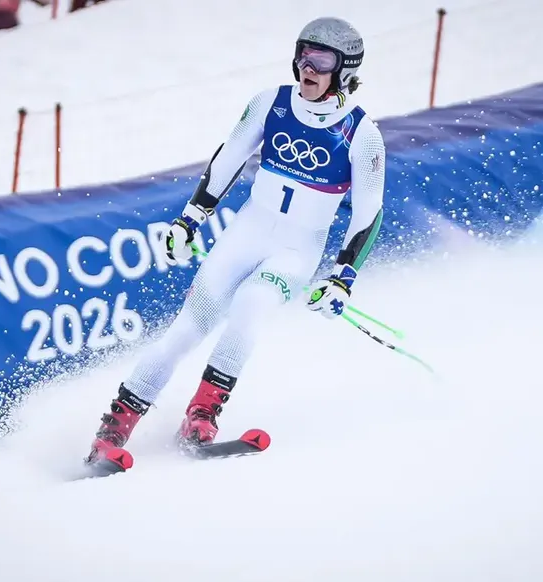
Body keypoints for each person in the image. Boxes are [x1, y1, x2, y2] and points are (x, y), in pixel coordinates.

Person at [84, 16, 386, 472]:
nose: (307, 66)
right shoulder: (270, 103)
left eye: (321, 59)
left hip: (296, 252)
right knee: (187, 328)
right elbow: (228, 158)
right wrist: (190, 220)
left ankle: (200, 415)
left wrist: (343, 277)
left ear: (344, 70)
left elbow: (369, 213)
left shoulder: (362, 134)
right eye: (303, 54)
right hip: (246, 234)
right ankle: (112, 430)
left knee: (250, 306)